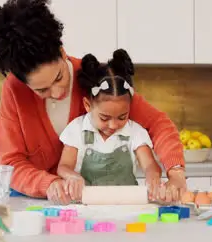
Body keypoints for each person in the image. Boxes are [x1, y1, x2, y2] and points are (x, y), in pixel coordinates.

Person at [0, 0, 187, 205]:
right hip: (36, 203)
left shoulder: (96, 78)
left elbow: (157, 124)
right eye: (41, 90)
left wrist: (175, 172)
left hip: (89, 203)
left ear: (62, 53)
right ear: (22, 82)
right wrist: (49, 184)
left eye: (59, 77)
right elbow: (11, 163)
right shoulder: (14, 91)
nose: (57, 92)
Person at [58, 49, 164, 202]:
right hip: (87, 205)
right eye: (104, 117)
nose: (113, 125)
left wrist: (153, 177)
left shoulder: (135, 132)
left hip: (127, 205)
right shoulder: (76, 130)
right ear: (87, 105)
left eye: (122, 117)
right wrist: (72, 176)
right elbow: (64, 166)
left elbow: (149, 165)